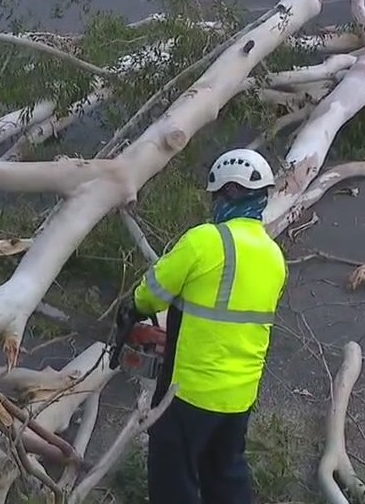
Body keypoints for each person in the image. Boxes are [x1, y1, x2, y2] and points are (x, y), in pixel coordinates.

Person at [128, 148, 288, 504]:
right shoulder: (274, 257)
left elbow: (152, 294)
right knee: (226, 475)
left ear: (229, 192)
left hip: (188, 393)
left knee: (173, 479)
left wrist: (131, 309)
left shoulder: (205, 240)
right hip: (239, 396)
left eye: (217, 195)